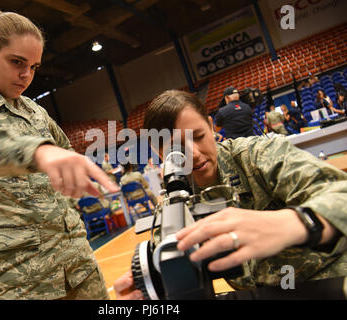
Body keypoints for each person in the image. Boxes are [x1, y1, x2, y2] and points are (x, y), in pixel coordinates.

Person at [0, 10, 119, 300]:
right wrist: (38, 152)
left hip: (75, 260)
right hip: (16, 275)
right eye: (17, 62)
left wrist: (74, 175)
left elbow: (66, 153)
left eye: (34, 67)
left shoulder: (35, 111)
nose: (26, 75)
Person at [114, 89, 347, 300]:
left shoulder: (257, 155)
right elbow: (170, 267)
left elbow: (339, 193)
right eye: (177, 148)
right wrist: (149, 290)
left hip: (329, 281)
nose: (193, 153)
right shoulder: (174, 202)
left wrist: (297, 223)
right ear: (158, 151)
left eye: (197, 136)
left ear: (211, 126)